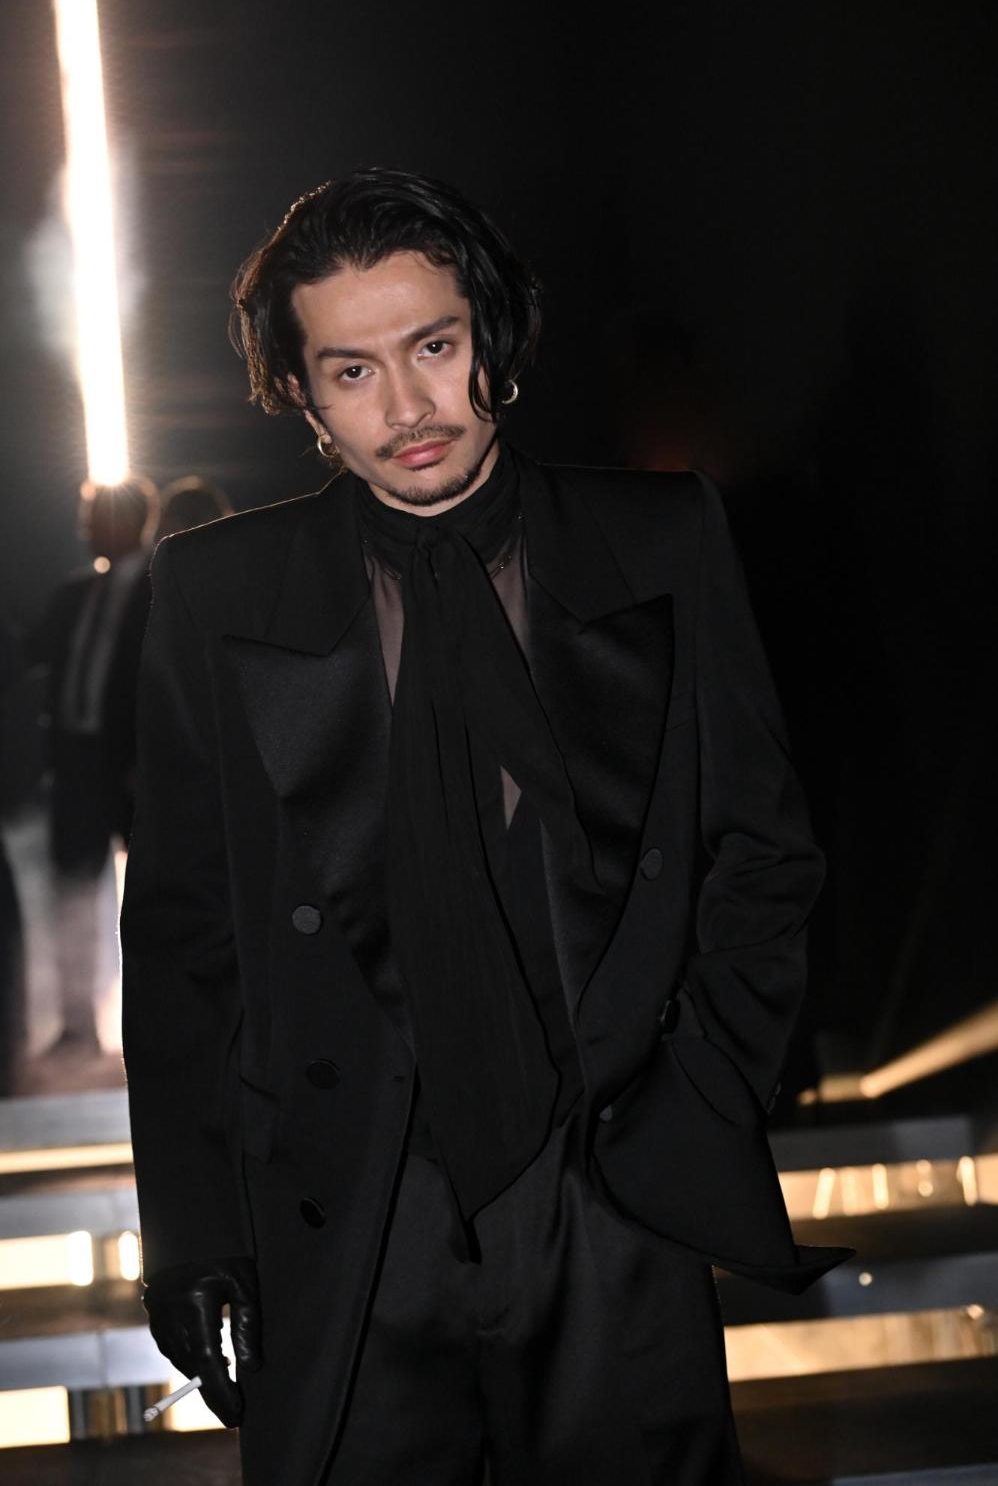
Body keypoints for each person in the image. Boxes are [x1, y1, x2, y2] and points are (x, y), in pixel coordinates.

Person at [122, 169, 849, 1485]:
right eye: (351, 371)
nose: (406, 407)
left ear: (490, 338)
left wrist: (695, 1094)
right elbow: (181, 934)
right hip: (345, 1210)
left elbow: (761, 849)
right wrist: (192, 1229)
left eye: (433, 347)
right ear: (300, 394)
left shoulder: (660, 535)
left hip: (605, 1190)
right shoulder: (214, 591)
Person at [31, 475, 158, 1056]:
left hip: (131, 765)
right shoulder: (75, 593)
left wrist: (146, 758)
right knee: (74, 890)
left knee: (154, 891)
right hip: (77, 760)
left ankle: (153, 1016)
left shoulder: (162, 588)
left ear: (129, 521)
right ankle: (79, 1025)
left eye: (95, 518)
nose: (86, 531)